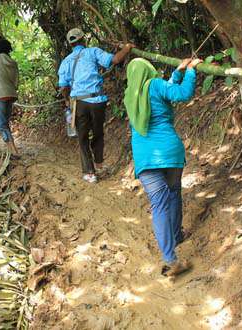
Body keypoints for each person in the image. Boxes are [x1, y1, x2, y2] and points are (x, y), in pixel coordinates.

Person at [123, 57, 202, 277]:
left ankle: (170, 258)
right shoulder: (156, 85)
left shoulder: (130, 96)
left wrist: (177, 73)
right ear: (149, 70)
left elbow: (164, 91)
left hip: (145, 159)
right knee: (174, 193)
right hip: (170, 152)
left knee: (159, 205)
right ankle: (176, 235)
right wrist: (192, 71)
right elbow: (180, 94)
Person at [57, 28, 134, 183]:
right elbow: (115, 60)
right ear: (83, 39)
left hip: (78, 103)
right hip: (97, 101)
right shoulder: (92, 52)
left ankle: (89, 173)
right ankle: (99, 164)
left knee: (82, 137)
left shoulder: (65, 61)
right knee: (98, 132)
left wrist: (67, 101)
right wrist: (127, 48)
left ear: (70, 44)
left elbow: (64, 87)